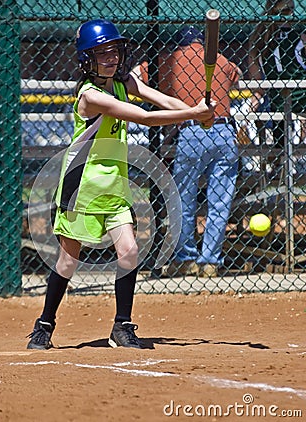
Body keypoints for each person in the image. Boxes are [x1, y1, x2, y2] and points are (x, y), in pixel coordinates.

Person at [26, 19, 215, 350]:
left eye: (114, 51)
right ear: (87, 59)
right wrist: (194, 113)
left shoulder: (124, 81)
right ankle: (44, 325)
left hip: (114, 187)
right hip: (81, 187)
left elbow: (162, 102)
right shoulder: (90, 96)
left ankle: (122, 327)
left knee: (129, 253)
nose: (112, 58)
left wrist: (196, 112)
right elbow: (142, 117)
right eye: (102, 53)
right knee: (68, 262)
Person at [134, 25, 242, 278]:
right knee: (220, 200)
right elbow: (235, 75)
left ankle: (186, 259)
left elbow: (136, 75)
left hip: (192, 130)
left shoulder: (169, 59)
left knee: (183, 197)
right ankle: (211, 261)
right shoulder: (220, 59)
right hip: (225, 130)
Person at [248, 0, 306, 151]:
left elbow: (257, 81)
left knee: (281, 143)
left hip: (277, 99)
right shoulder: (299, 37)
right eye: (289, 11)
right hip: (301, 98)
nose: (292, 15)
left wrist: (256, 97)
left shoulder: (261, 39)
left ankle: (278, 165)